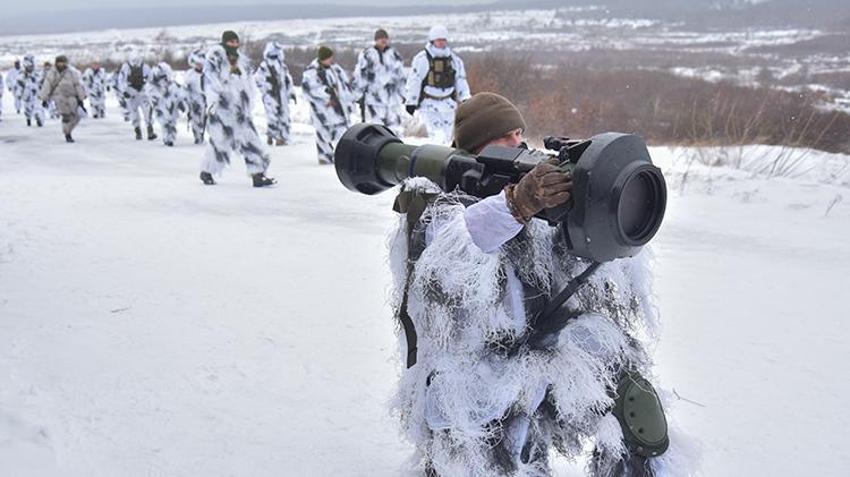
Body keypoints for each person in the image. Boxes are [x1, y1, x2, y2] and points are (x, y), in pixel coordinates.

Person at [388, 93, 695, 476]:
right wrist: (515, 205)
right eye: (503, 138)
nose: (517, 144)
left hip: (534, 365)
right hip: (470, 389)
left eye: (519, 133)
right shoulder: (438, 206)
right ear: (475, 148)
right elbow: (451, 260)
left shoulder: (535, 204)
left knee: (631, 397)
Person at [200, 30, 276, 187]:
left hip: (240, 109)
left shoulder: (241, 60)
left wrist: (249, 100)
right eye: (231, 42)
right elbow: (209, 80)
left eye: (236, 42)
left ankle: (257, 174)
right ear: (224, 42)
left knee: (251, 140)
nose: (234, 45)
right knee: (220, 141)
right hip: (222, 108)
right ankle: (207, 171)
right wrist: (212, 101)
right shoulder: (215, 57)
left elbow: (248, 81)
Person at [404, 25, 471, 145]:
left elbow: (460, 79)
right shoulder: (422, 59)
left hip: (448, 104)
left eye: (443, 40)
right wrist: (411, 101)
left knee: (447, 137)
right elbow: (414, 80)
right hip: (429, 103)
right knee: (437, 135)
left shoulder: (454, 60)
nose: (441, 42)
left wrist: (465, 97)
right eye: (438, 40)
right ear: (432, 40)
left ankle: (445, 158)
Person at [301, 46, 355, 165]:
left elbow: (345, 86)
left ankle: (345, 155)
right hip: (322, 110)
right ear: (322, 58)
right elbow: (309, 90)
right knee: (323, 133)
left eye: (331, 57)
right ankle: (324, 157)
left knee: (343, 132)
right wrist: (326, 93)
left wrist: (349, 100)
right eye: (328, 58)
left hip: (339, 108)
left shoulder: (336, 69)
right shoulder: (311, 72)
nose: (331, 60)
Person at [351, 28, 406, 135]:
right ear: (376, 40)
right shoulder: (368, 55)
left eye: (385, 38)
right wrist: (357, 94)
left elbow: (401, 76)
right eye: (380, 38)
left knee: (395, 128)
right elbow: (360, 76)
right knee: (377, 128)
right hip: (374, 98)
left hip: (392, 99)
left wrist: (404, 94)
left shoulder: (394, 55)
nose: (383, 40)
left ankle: (395, 149)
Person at [254, 41, 297, 146]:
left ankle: (281, 138)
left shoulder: (282, 66)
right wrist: (268, 87)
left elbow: (288, 79)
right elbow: (258, 80)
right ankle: (271, 135)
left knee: (284, 116)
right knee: (272, 116)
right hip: (270, 95)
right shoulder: (264, 66)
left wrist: (291, 92)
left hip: (282, 95)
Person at [39, 55, 87, 143]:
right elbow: (47, 85)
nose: (61, 64)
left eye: (63, 62)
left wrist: (81, 98)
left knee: (76, 116)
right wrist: (44, 98)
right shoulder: (52, 72)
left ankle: (69, 130)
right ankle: (67, 134)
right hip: (59, 96)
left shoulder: (72, 72)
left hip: (72, 96)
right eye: (59, 62)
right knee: (66, 116)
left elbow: (77, 85)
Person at [117, 51, 157, 141]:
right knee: (134, 113)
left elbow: (150, 80)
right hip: (131, 92)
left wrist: (149, 90)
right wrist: (124, 91)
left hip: (142, 91)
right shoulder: (126, 67)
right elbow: (121, 80)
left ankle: (149, 131)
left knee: (147, 112)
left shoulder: (145, 67)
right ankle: (138, 131)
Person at [147, 62, 185, 147]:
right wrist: (155, 100)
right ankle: (166, 138)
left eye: (164, 77)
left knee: (172, 124)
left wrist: (181, 104)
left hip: (172, 109)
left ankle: (171, 138)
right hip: (160, 108)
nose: (163, 80)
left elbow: (179, 94)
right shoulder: (153, 85)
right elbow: (151, 94)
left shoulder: (173, 85)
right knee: (164, 123)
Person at [183, 48, 208, 144]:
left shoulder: (208, 74)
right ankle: (197, 135)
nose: (199, 66)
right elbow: (185, 88)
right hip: (194, 101)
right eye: (197, 64)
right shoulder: (190, 74)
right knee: (195, 120)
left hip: (206, 100)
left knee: (205, 119)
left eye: (201, 64)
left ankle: (202, 133)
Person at [19, 54, 45, 128]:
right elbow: (19, 84)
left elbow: (41, 83)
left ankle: (39, 119)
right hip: (27, 96)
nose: (29, 68)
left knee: (38, 109)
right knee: (28, 110)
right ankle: (28, 119)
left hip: (36, 95)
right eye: (27, 66)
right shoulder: (22, 74)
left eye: (30, 66)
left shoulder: (37, 73)